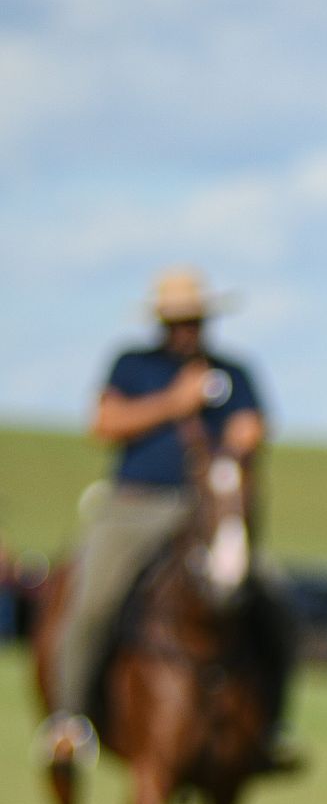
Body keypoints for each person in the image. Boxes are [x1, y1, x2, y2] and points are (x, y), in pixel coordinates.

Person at [39, 267, 299, 770]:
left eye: (195, 320)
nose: (187, 331)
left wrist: (243, 436)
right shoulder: (133, 365)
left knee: (276, 601)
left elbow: (255, 426)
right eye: (177, 322)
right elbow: (104, 423)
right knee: (93, 597)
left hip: (208, 512)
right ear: (161, 323)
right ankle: (69, 720)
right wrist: (173, 402)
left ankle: (271, 728)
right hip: (137, 506)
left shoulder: (233, 373)